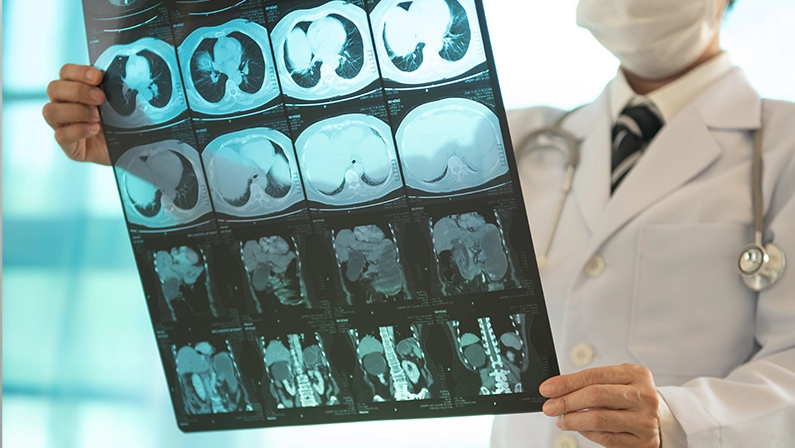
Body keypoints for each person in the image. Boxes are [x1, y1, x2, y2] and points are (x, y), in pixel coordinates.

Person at [43, 0, 795, 446]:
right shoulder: (524, 139)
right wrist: (148, 147)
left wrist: (679, 421)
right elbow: (311, 198)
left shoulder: (784, 148)